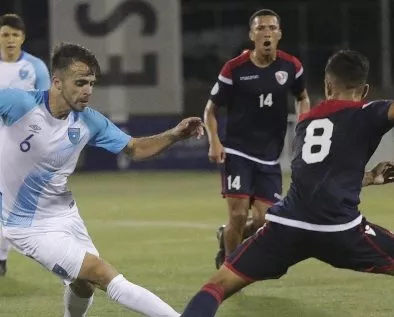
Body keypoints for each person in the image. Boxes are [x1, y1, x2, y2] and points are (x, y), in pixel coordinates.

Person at [180, 49, 394, 317]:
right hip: (341, 230)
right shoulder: (368, 112)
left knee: (216, 286)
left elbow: (318, 178)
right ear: (364, 91)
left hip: (286, 227)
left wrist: (369, 178)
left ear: (327, 86)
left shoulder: (307, 121)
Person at [0, 43, 204, 317]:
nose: (88, 90)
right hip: (26, 225)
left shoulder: (90, 121)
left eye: (92, 83)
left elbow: (135, 148)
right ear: (57, 82)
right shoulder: (19, 103)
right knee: (101, 273)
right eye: (80, 82)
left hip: (65, 215)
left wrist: (175, 135)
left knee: (84, 285)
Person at [205, 8, 310, 269]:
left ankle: (224, 236)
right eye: (261, 28)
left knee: (264, 222)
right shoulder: (234, 69)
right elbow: (210, 109)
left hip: (270, 156)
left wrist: (303, 127)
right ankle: (230, 268)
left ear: (280, 34)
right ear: (252, 35)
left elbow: (302, 97)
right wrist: (214, 141)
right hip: (238, 151)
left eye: (272, 28)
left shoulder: (291, 66)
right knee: (238, 215)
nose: (267, 33)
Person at [0, 13, 51, 276]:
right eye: (5, 34)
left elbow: (46, 104)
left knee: (7, 201)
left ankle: (1, 255)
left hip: (22, 143)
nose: (10, 40)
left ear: (23, 37)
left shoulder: (36, 67)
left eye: (15, 35)